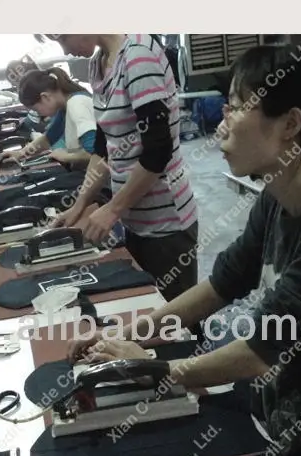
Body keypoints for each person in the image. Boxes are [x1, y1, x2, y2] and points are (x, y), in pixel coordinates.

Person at [69, 42, 301, 456]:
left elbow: (262, 350)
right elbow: (222, 284)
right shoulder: (279, 196)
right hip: (283, 420)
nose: (222, 121)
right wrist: (124, 335)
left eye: (238, 106)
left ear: (291, 124)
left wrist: (154, 370)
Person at [48, 34, 199, 302]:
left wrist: (112, 209)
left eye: (62, 38)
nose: (66, 51)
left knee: (176, 318)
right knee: (145, 308)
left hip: (165, 224)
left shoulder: (138, 56)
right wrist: (79, 204)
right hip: (133, 219)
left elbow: (158, 151)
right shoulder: (97, 64)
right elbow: (103, 146)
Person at [0, 67, 96, 170]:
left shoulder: (77, 104)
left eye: (36, 109)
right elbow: (48, 139)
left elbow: (95, 153)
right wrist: (21, 154)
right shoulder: (65, 106)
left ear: (45, 97)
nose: (38, 114)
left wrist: (65, 156)